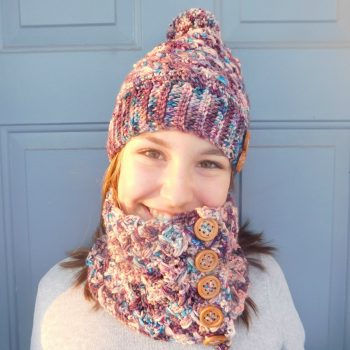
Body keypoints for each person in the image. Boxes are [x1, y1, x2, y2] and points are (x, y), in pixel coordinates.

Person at [31, 8, 305, 350]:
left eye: (208, 163)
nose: (176, 194)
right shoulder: (58, 297)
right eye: (153, 154)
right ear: (118, 162)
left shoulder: (266, 283)